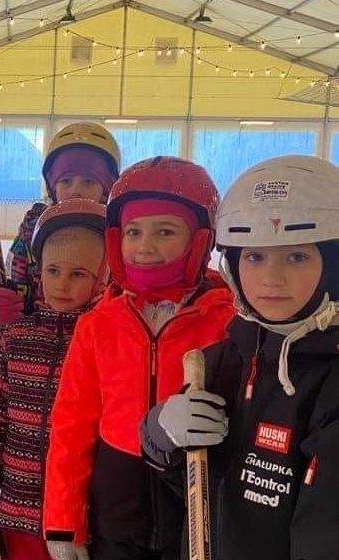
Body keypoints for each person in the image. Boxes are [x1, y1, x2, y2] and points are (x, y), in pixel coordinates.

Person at [141, 155, 339, 560]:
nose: (272, 278)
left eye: (297, 256)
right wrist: (161, 434)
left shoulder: (332, 384)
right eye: (255, 257)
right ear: (232, 264)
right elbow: (187, 485)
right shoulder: (224, 361)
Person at [42, 156, 236, 560]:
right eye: (133, 231)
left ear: (200, 240)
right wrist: (64, 522)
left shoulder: (229, 322)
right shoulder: (98, 324)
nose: (144, 247)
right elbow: (71, 428)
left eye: (165, 231)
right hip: (116, 509)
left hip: (195, 506)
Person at [0, 199, 109, 560]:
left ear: (102, 278)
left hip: (85, 521)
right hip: (19, 513)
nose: (61, 284)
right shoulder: (17, 338)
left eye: (78, 274)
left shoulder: (107, 341)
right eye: (53, 271)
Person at [0, 122, 120, 337]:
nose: (76, 190)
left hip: (98, 347)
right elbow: (12, 321)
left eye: (88, 181)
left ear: (106, 189)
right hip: (38, 351)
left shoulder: (119, 236)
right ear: (52, 186)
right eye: (66, 181)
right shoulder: (32, 232)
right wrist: (0, 316)